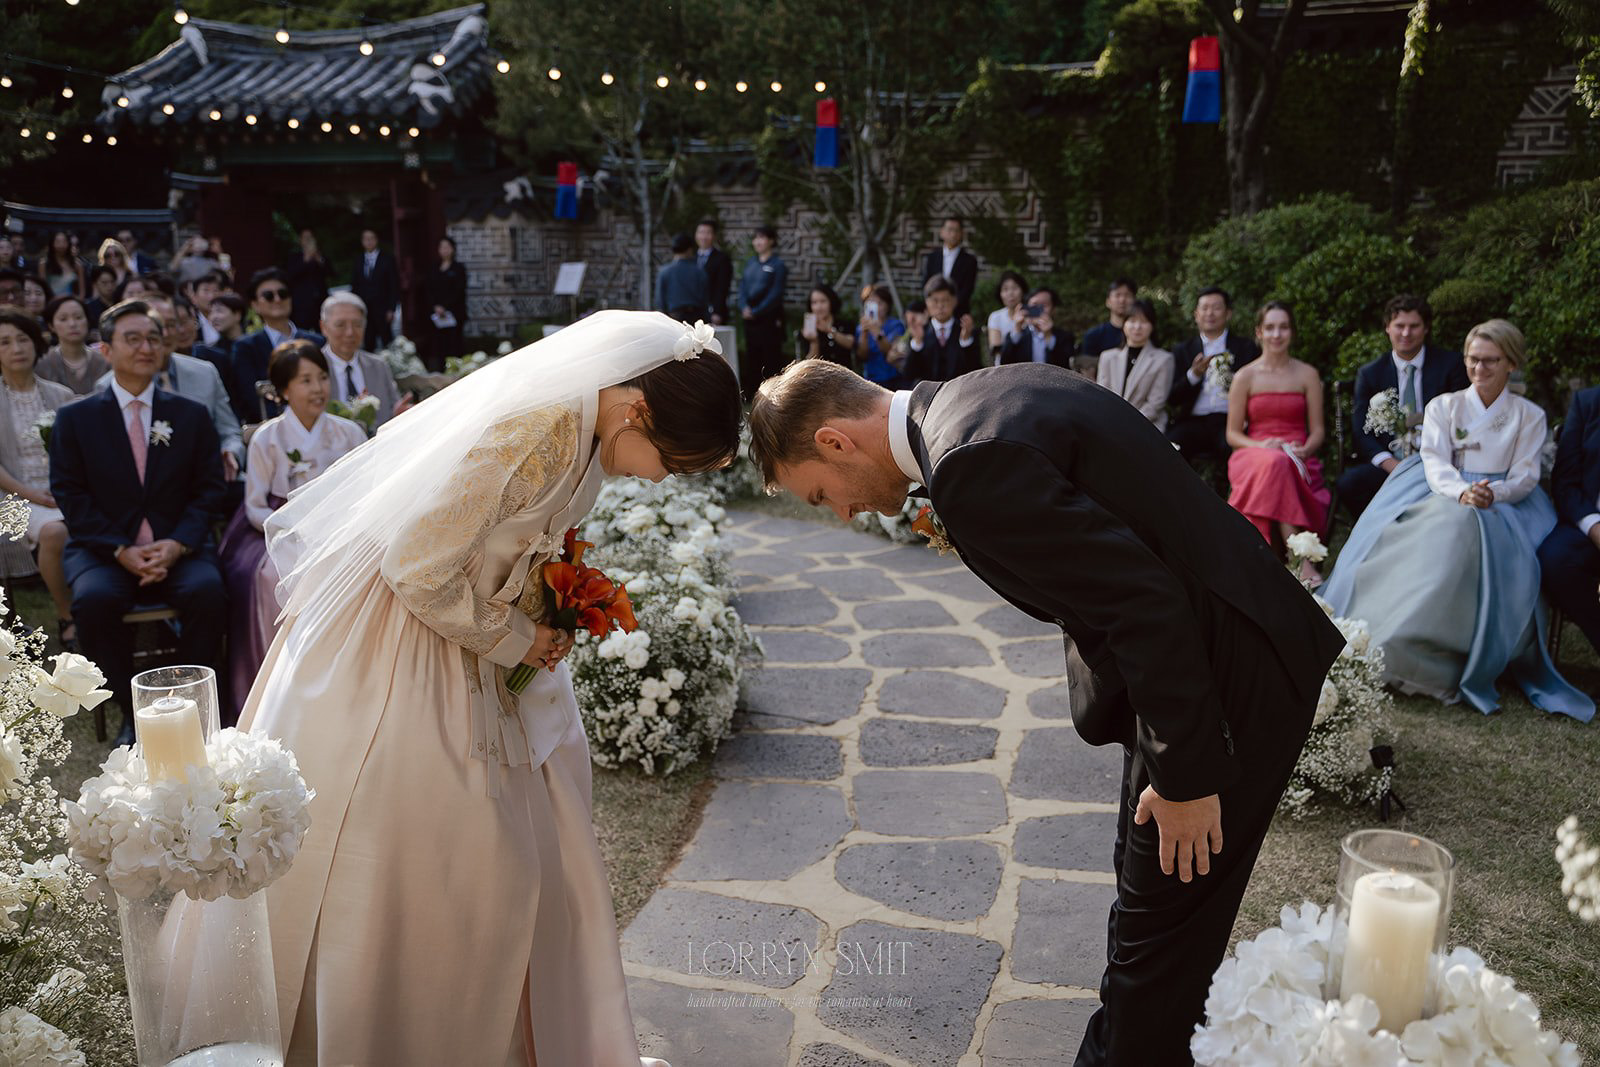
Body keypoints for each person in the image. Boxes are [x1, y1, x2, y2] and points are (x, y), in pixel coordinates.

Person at [747, 357, 1344, 1067]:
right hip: (1206, 668)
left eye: (821, 497)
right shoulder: (978, 399)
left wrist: (1184, 775)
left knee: (1155, 965)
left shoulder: (969, 464)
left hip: (1228, 683)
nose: (841, 513)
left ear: (836, 442)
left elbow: (1144, 603)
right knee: (1149, 933)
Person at [213, 311, 742, 1065]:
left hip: (467, 639)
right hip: (401, 648)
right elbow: (418, 566)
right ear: (638, 409)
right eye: (671, 460)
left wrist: (541, 604)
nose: (660, 476)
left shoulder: (582, 426)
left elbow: (500, 538)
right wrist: (522, 636)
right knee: (449, 857)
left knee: (524, 849)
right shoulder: (541, 427)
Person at [1323, 321, 1593, 721]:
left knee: (1468, 531)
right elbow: (1433, 459)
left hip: (1509, 502)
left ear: (1511, 364)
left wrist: (1491, 493)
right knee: (1438, 528)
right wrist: (1461, 492)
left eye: (1490, 361)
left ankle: (1455, 651)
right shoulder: (1444, 406)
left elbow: (1525, 475)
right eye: (1473, 360)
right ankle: (1388, 636)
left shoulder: (1529, 415)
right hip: (1443, 490)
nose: (1479, 369)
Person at [49, 299, 227, 747]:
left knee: (210, 592)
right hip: (105, 552)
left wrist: (178, 544)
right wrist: (119, 549)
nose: (146, 347)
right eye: (133, 338)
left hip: (178, 549)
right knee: (92, 603)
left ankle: (188, 706)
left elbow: (209, 491)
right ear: (105, 350)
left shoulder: (189, 415)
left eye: (154, 338)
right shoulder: (75, 419)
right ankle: (134, 712)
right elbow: (71, 495)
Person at [218, 340, 367, 724]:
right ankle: (280, 684)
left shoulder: (349, 432)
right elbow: (254, 503)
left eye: (321, 378)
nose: (317, 388)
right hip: (281, 526)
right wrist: (288, 528)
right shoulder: (267, 437)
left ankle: (351, 682)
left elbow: (368, 490)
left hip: (341, 525)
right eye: (305, 380)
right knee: (271, 575)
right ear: (284, 389)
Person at [96, 292, 246, 494]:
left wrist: (231, 453)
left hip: (210, 481)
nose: (164, 334)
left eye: (171, 324)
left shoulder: (205, 373)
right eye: (156, 328)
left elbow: (230, 431)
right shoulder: (109, 386)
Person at [1336, 294, 1468, 520]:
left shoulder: (1450, 365)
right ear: (1387, 327)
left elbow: (1461, 419)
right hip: (1392, 462)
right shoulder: (1370, 374)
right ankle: (1382, 533)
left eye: (1414, 326)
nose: (1406, 333)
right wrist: (1391, 465)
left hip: (1442, 459)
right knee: (1350, 484)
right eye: (1399, 326)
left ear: (1426, 328)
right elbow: (1361, 431)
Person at [1225, 302, 1330, 581]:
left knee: (1280, 463)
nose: (1276, 334)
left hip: (1297, 456)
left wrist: (1306, 448)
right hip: (1253, 454)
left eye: (1283, 327)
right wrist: (1261, 446)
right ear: (1259, 332)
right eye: (1270, 328)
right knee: (1274, 462)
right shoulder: (1245, 376)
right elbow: (1232, 434)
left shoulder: (1307, 374)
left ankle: (1264, 556)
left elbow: (1318, 430)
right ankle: (1298, 556)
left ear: (1292, 333)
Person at [0, 309, 79, 648]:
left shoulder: (61, 395)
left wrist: (64, 489)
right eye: (4, 342)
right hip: (14, 496)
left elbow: (81, 452)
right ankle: (67, 615)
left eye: (22, 339)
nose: (16, 347)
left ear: (35, 343)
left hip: (66, 489)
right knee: (55, 530)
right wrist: (35, 494)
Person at [1168, 287, 1261, 479]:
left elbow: (1257, 389)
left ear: (1228, 313)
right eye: (1205, 308)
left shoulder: (1245, 347)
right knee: (1170, 447)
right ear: (1196, 314)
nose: (1210, 313)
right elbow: (1173, 398)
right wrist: (1193, 375)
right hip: (1193, 421)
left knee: (1237, 451)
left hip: (1230, 421)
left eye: (1216, 308)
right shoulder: (1182, 350)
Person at [1540, 385, 1600, 658]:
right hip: (1589, 524)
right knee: (1556, 559)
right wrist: (1594, 527)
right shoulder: (1588, 402)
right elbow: (1565, 480)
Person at [233, 268, 325, 423]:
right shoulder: (246, 348)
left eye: (282, 294)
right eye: (268, 296)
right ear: (255, 305)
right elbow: (251, 397)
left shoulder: (317, 342)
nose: (277, 299)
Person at [318, 291, 411, 427]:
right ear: (324, 327)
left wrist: (398, 414)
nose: (350, 333)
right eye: (340, 325)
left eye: (357, 324)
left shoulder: (378, 366)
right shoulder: (314, 368)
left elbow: (394, 409)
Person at [1096, 298, 1174, 429]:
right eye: (1132, 321)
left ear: (1152, 326)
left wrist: (1127, 422)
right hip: (1109, 423)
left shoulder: (1164, 359)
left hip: (1147, 426)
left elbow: (1155, 403)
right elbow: (1102, 395)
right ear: (1124, 324)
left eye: (1143, 322)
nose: (1137, 327)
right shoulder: (1107, 357)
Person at [738, 224, 787, 397]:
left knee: (770, 357)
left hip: (768, 320)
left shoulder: (778, 265)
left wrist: (758, 310)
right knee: (753, 358)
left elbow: (776, 293)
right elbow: (742, 287)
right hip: (750, 320)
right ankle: (752, 394)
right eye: (756, 238)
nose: (758, 241)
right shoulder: (751, 263)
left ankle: (774, 395)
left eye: (762, 237)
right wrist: (743, 307)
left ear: (771, 241)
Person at [905, 275, 980, 382]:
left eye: (945, 300)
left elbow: (976, 372)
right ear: (927, 303)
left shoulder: (967, 331)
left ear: (955, 301)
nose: (940, 305)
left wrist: (965, 342)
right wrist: (917, 344)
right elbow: (909, 375)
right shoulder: (919, 332)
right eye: (935, 301)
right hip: (929, 395)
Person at [38, 295, 110, 395]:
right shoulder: (42, 365)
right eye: (63, 319)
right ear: (51, 326)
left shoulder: (105, 362)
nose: (72, 324)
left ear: (87, 321)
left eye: (78, 317)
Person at [998, 287, 1074, 369]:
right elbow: (1004, 364)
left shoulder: (1065, 337)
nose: (1039, 310)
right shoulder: (1017, 336)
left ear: (1053, 309)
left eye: (1044, 305)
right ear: (1026, 308)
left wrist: (1048, 336)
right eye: (1034, 305)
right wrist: (1017, 328)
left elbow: (1065, 367)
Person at [423, 235, 468, 371]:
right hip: (437, 315)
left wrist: (445, 307)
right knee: (439, 344)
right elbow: (428, 289)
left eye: (447, 247)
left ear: (453, 249)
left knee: (454, 343)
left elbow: (459, 290)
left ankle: (457, 370)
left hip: (454, 313)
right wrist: (435, 306)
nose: (444, 250)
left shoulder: (458, 268)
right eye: (442, 247)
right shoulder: (434, 268)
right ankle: (442, 371)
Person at [350, 228, 400, 351]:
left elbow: (393, 285)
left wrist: (391, 309)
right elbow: (355, 285)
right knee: (368, 341)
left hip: (383, 308)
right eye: (366, 239)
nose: (369, 242)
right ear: (362, 242)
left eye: (371, 238)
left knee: (387, 341)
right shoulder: (359, 260)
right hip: (365, 309)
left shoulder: (387, 259)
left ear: (376, 240)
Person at [920, 216, 978, 318]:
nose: (953, 234)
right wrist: (934, 305)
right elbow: (926, 284)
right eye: (950, 229)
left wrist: (949, 306)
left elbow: (967, 289)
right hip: (934, 311)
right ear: (942, 232)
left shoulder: (970, 261)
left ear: (961, 234)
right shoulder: (932, 257)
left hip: (958, 313)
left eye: (957, 230)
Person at [855, 283, 907, 388]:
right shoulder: (861, 327)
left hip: (893, 380)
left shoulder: (895, 325)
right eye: (870, 303)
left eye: (879, 303)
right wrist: (864, 334)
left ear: (887, 306)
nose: (875, 308)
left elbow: (891, 352)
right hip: (870, 382)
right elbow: (862, 356)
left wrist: (877, 333)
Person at [655, 234, 709, 325]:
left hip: (673, 317)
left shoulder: (664, 272)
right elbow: (705, 299)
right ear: (689, 249)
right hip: (696, 317)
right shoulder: (699, 271)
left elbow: (660, 301)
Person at [285, 228, 332, 330]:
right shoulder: (295, 257)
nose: (308, 240)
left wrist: (319, 259)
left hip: (320, 302)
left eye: (310, 238)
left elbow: (331, 273)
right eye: (305, 238)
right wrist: (306, 259)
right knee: (302, 332)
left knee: (323, 331)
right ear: (300, 240)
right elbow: (291, 276)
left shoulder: (320, 256)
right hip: (302, 304)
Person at [1081, 277, 1136, 361]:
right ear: (1108, 302)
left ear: (1134, 300)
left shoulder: (1141, 333)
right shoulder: (1093, 335)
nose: (1122, 300)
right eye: (1117, 295)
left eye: (1127, 295)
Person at [797, 284, 853, 366]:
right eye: (814, 302)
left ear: (831, 302)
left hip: (844, 376)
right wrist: (814, 341)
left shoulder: (845, 324)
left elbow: (851, 344)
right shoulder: (807, 330)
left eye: (823, 301)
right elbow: (809, 364)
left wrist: (829, 330)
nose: (819, 307)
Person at [693, 218, 733, 325]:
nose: (704, 237)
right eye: (701, 232)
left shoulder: (722, 259)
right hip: (692, 312)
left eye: (708, 233)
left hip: (712, 313)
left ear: (714, 236)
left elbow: (722, 287)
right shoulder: (690, 258)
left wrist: (717, 311)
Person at [985, 270, 1028, 357]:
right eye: (1005, 289)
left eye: (1015, 288)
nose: (1010, 293)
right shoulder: (996, 317)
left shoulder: (1030, 315)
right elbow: (996, 350)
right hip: (1004, 367)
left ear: (1023, 291)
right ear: (1000, 294)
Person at [187, 269, 228, 349]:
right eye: (206, 291)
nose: (211, 296)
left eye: (216, 291)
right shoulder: (191, 320)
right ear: (194, 297)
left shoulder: (228, 318)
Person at [38, 231, 84, 298]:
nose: (61, 245)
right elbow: (42, 289)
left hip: (71, 302)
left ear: (68, 243)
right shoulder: (44, 263)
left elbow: (82, 292)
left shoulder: (77, 264)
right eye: (58, 242)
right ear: (52, 243)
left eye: (64, 241)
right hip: (51, 302)